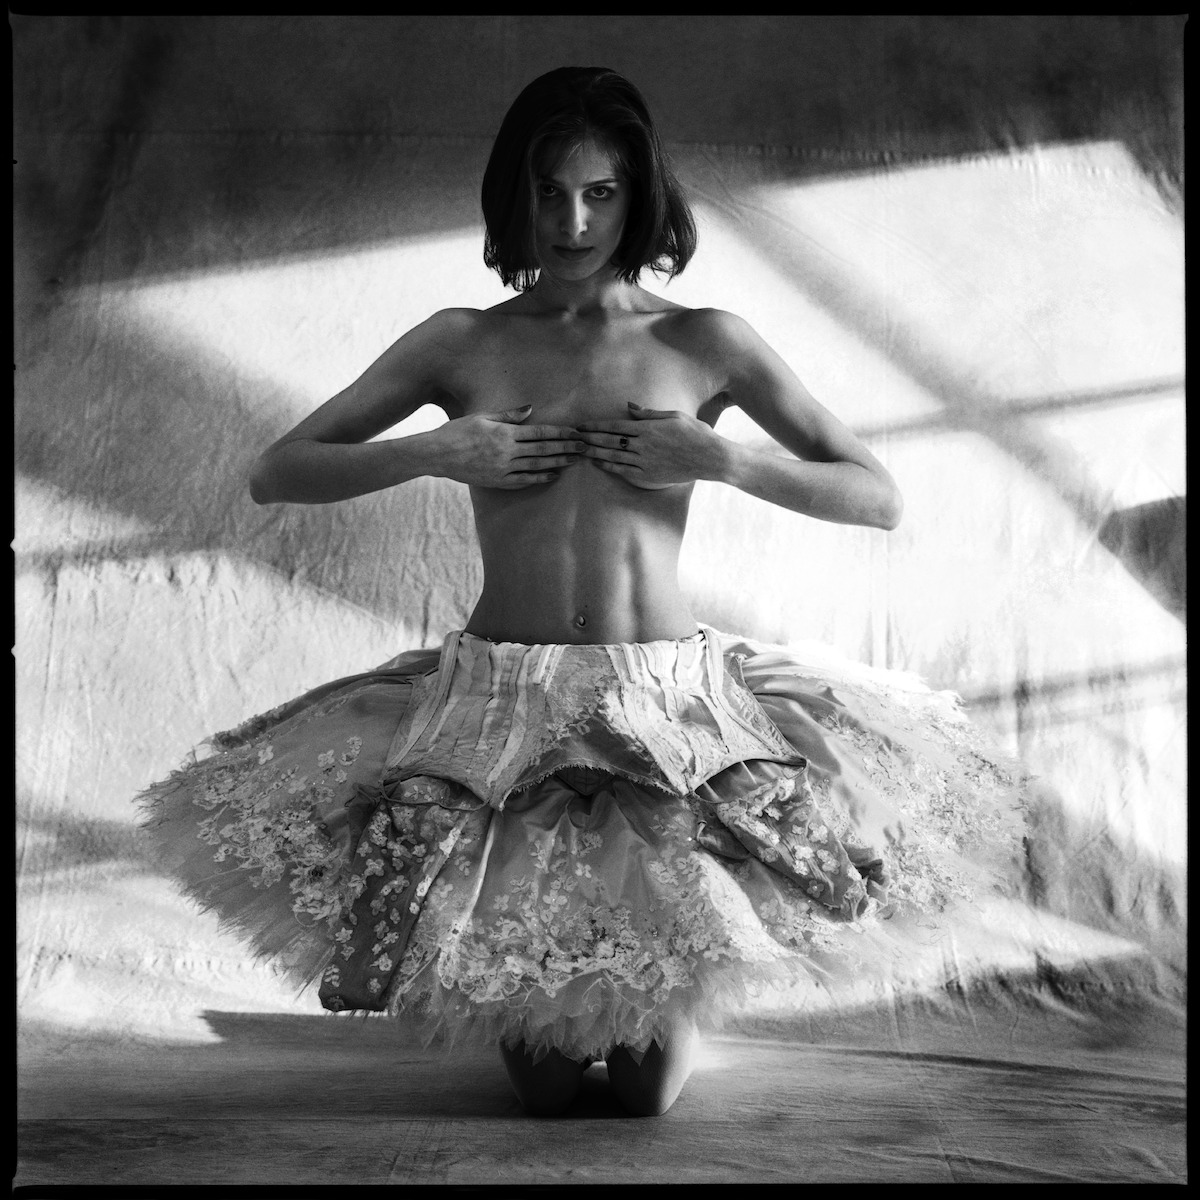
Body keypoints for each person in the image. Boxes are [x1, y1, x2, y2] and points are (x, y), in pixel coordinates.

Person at [138, 67, 1028, 1118]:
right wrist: (435, 450)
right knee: (551, 1093)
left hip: (670, 703)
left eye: (600, 194)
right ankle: (555, 1012)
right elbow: (276, 472)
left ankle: (656, 1005)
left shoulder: (703, 341)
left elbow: (876, 497)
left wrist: (723, 459)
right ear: (512, 194)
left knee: (644, 1096)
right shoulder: (460, 341)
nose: (572, 222)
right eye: (550, 193)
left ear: (637, 197)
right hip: (499, 701)